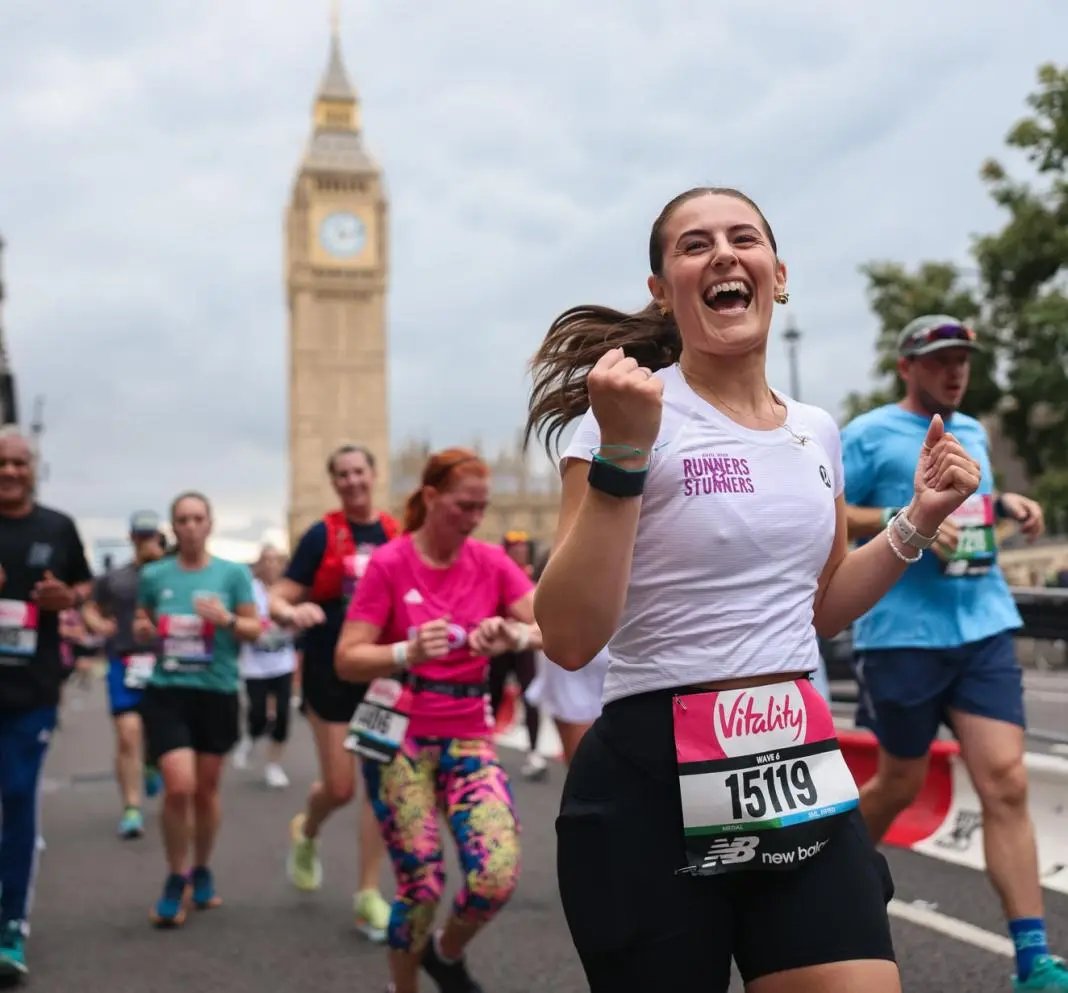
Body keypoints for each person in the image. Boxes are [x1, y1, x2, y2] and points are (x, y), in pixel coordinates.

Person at [525, 186, 983, 993]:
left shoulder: (817, 428)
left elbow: (822, 604)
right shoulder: (621, 419)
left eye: (744, 239)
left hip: (796, 766)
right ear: (663, 292)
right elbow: (567, 635)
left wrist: (917, 519)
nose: (724, 254)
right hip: (648, 780)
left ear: (778, 275)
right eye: (694, 245)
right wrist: (625, 455)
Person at [842, 314, 1068, 993]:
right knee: (900, 781)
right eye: (940, 358)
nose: (955, 370)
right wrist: (900, 518)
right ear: (907, 366)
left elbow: (966, 509)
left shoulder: (969, 432)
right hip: (901, 634)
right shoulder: (868, 434)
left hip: (983, 625)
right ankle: (821, 882)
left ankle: (1033, 958)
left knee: (1005, 779)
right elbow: (826, 507)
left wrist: (1007, 504)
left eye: (962, 357)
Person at [336, 447, 540, 993]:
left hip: (469, 736)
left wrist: (514, 635)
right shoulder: (389, 562)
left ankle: (446, 955)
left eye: (482, 507)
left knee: (496, 874)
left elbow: (556, 625)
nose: (474, 518)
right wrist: (405, 652)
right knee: (421, 885)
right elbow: (347, 657)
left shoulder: (492, 562)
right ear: (430, 498)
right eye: (462, 506)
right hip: (401, 735)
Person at [269, 443, 395, 940]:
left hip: (381, 678)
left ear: (373, 474)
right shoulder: (322, 535)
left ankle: (368, 894)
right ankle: (308, 829)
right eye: (341, 474)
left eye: (358, 471)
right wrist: (289, 612)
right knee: (340, 787)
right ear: (335, 482)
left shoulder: (393, 533)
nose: (352, 481)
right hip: (328, 675)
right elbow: (281, 594)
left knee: (378, 787)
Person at [134, 491, 259, 927]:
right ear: (173, 527)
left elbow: (254, 630)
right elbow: (143, 623)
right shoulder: (154, 575)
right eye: (182, 519)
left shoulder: (233, 575)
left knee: (206, 790)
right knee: (178, 786)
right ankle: (175, 875)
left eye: (197, 518)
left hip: (216, 691)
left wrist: (224, 619)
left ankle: (202, 866)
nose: (190, 526)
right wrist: (144, 629)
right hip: (168, 691)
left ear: (210, 524)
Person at [0, 429, 93, 977]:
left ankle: (12, 924)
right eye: (2, 464)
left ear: (33, 468)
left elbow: (83, 585)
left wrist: (70, 598)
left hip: (31, 690)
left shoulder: (57, 527)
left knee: (16, 795)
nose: (11, 472)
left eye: (19, 463)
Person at [82, 510, 167, 839]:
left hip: (164, 663)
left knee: (159, 734)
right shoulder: (115, 578)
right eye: (141, 536)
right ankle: (131, 808)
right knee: (129, 732)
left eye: (152, 536)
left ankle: (152, 763)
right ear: (131, 538)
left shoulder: (171, 573)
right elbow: (91, 606)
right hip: (125, 660)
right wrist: (97, 623)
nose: (146, 542)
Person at [523, 547, 610, 765]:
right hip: (576, 704)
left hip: (619, 704)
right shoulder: (557, 616)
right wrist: (519, 636)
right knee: (589, 777)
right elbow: (543, 632)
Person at [233, 545, 296, 789]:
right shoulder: (250, 591)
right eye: (266, 560)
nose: (271, 565)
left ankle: (273, 765)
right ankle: (250, 738)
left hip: (282, 662)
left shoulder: (290, 591)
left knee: (282, 715)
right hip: (254, 665)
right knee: (258, 714)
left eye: (275, 560)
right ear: (258, 564)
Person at [487, 531, 546, 780]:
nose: (520, 551)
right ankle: (485, 748)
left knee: (530, 695)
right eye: (515, 547)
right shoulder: (498, 574)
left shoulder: (531, 574)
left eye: (523, 547)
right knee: (494, 695)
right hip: (500, 646)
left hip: (524, 645)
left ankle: (534, 751)